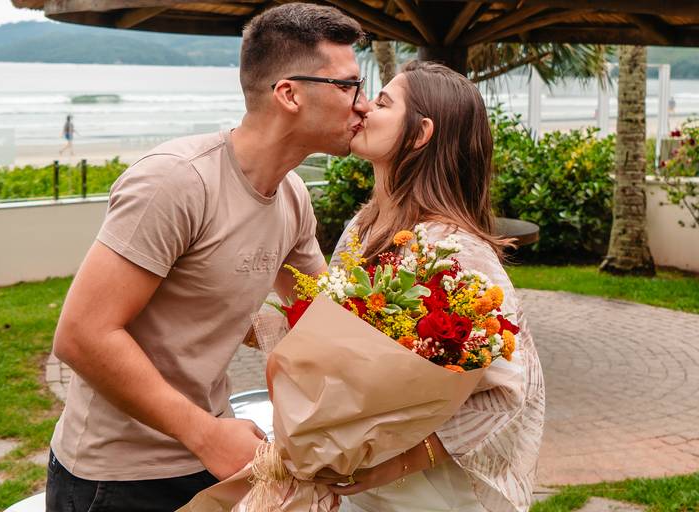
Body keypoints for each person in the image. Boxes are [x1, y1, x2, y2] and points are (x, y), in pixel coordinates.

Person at [45, 4, 367, 511]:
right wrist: (206, 434)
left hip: (212, 456)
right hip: (117, 478)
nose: (363, 105)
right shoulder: (176, 182)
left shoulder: (292, 196)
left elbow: (321, 320)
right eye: (349, 86)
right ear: (289, 94)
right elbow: (82, 335)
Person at [315, 61, 545, 512]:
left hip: (428, 491)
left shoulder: (454, 248)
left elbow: (505, 391)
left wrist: (393, 465)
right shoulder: (362, 227)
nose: (363, 106)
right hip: (364, 474)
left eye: (383, 102)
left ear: (420, 134)